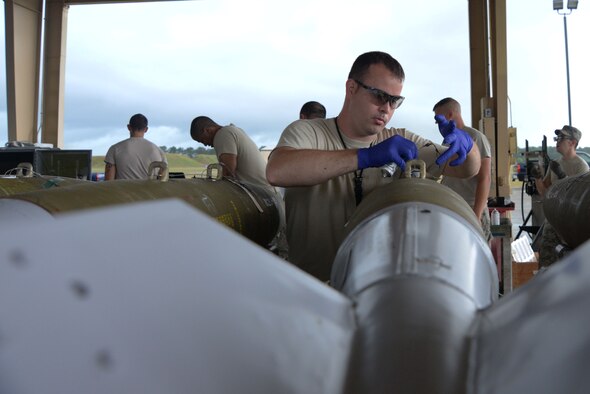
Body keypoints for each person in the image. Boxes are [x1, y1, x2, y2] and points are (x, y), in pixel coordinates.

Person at [266, 51, 481, 282]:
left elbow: (466, 169)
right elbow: (277, 170)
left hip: (375, 289)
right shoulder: (308, 132)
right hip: (312, 287)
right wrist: (364, 157)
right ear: (351, 88)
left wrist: (468, 147)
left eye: (394, 101)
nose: (386, 108)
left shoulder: (400, 140)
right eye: (379, 96)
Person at [190, 116, 288, 257]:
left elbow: (227, 171)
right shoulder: (233, 130)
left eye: (201, 140)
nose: (205, 145)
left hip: (262, 200)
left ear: (207, 130)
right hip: (270, 199)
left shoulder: (223, 135)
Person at [433, 97, 492, 244]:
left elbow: (485, 178)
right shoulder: (446, 141)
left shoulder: (476, 138)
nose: (438, 125)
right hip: (453, 207)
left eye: (439, 119)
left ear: (451, 115)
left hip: (471, 207)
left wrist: (476, 215)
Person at [531, 125, 589, 267]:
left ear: (572, 143)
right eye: (557, 138)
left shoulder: (581, 167)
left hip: (571, 226)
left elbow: (575, 199)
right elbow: (545, 194)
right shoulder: (556, 164)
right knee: (546, 260)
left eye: (561, 138)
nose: (557, 141)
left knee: (569, 264)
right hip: (553, 222)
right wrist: (537, 178)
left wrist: (562, 177)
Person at [104, 113, 167, 180]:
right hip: (149, 190)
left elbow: (109, 181)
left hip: (123, 190)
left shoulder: (114, 149)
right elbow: (162, 181)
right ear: (146, 129)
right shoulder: (159, 151)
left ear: (128, 127)